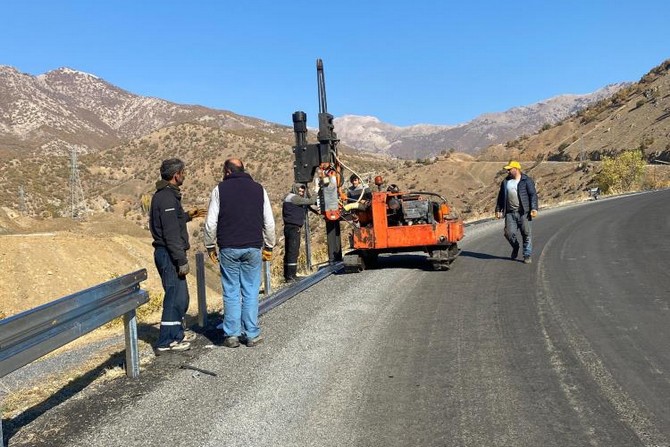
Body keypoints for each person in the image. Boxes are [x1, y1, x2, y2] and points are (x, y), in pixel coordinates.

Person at [204, 158, 276, 348]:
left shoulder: (219, 190)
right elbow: (269, 221)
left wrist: (210, 245)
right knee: (251, 291)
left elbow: (211, 223)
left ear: (227, 171)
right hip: (253, 246)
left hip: (228, 247)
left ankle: (232, 335)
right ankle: (251, 334)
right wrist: (269, 245)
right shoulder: (259, 189)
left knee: (231, 291)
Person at [149, 158, 206, 352]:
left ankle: (176, 334)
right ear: (176, 175)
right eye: (183, 172)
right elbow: (171, 233)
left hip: (170, 253)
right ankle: (166, 341)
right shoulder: (166, 198)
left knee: (181, 297)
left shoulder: (167, 196)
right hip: (169, 254)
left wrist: (189, 215)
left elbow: (175, 220)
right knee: (174, 296)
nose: (185, 175)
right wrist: (181, 260)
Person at [495, 160, 538, 264]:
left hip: (524, 212)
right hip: (510, 213)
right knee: (508, 233)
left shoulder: (526, 180)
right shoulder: (505, 182)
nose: (508, 171)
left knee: (526, 234)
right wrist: (498, 209)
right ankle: (516, 246)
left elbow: (533, 195)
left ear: (516, 169)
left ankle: (527, 254)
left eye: (510, 169)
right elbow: (501, 197)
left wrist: (534, 208)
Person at [282, 183, 316, 282]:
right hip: (293, 228)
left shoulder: (290, 197)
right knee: (293, 251)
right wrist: (316, 192)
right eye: (300, 191)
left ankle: (287, 275)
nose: (301, 193)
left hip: (289, 227)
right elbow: (311, 201)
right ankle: (292, 276)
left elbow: (308, 205)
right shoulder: (294, 198)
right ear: (295, 189)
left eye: (302, 191)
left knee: (289, 250)